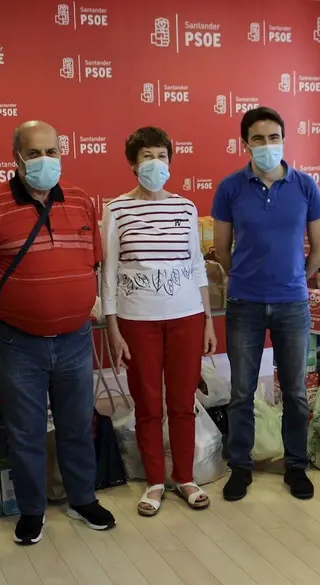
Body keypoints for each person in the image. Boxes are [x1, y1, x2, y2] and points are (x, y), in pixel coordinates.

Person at [0, 120, 115, 546]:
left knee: (77, 424)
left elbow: (93, 264)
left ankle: (83, 498)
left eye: (52, 151)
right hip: (17, 342)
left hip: (76, 339)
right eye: (34, 153)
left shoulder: (81, 202)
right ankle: (32, 510)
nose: (45, 160)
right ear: (16, 158)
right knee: (25, 430)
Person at [211, 107, 320, 502]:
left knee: (295, 391)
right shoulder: (230, 188)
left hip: (292, 303)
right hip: (244, 302)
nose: (267, 145)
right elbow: (223, 251)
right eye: (258, 139)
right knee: (242, 390)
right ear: (244, 143)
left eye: (273, 137)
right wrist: (247, 277)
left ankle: (296, 465)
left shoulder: (306, 186)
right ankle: (240, 466)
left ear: (283, 139)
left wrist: (295, 276)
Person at [101, 126, 216, 517]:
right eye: (148, 156)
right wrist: (113, 327)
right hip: (137, 322)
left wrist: (208, 323)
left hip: (186, 318)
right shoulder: (116, 209)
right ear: (133, 163)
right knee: (149, 405)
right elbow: (109, 272)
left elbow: (197, 266)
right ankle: (154, 482)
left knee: (183, 403)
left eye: (162, 156)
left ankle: (185, 477)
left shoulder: (185, 208)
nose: (156, 164)